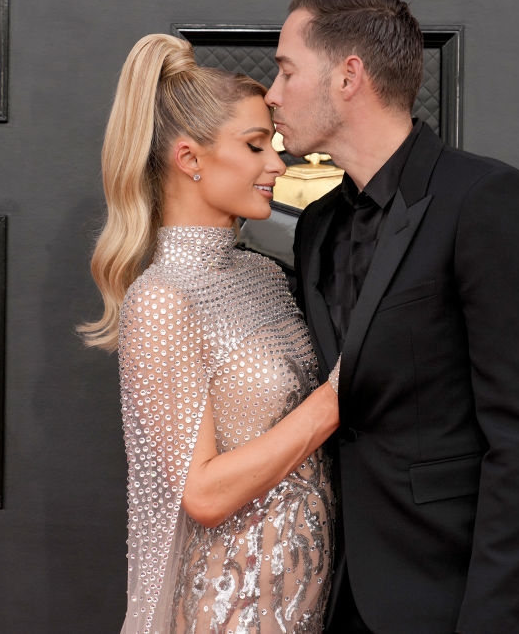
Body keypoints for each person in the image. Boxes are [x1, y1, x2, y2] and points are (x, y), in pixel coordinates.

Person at [265, 0, 519, 633]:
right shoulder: (316, 225)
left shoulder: (487, 199)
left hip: (472, 596)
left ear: (348, 76)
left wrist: (492, 618)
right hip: (350, 595)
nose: (272, 93)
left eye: (286, 70)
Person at [80, 33, 341, 633]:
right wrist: (336, 397)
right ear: (190, 159)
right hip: (233, 608)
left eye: (273, 144)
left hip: (312, 599)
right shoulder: (161, 299)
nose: (277, 164)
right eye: (255, 145)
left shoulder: (262, 274)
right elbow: (202, 494)